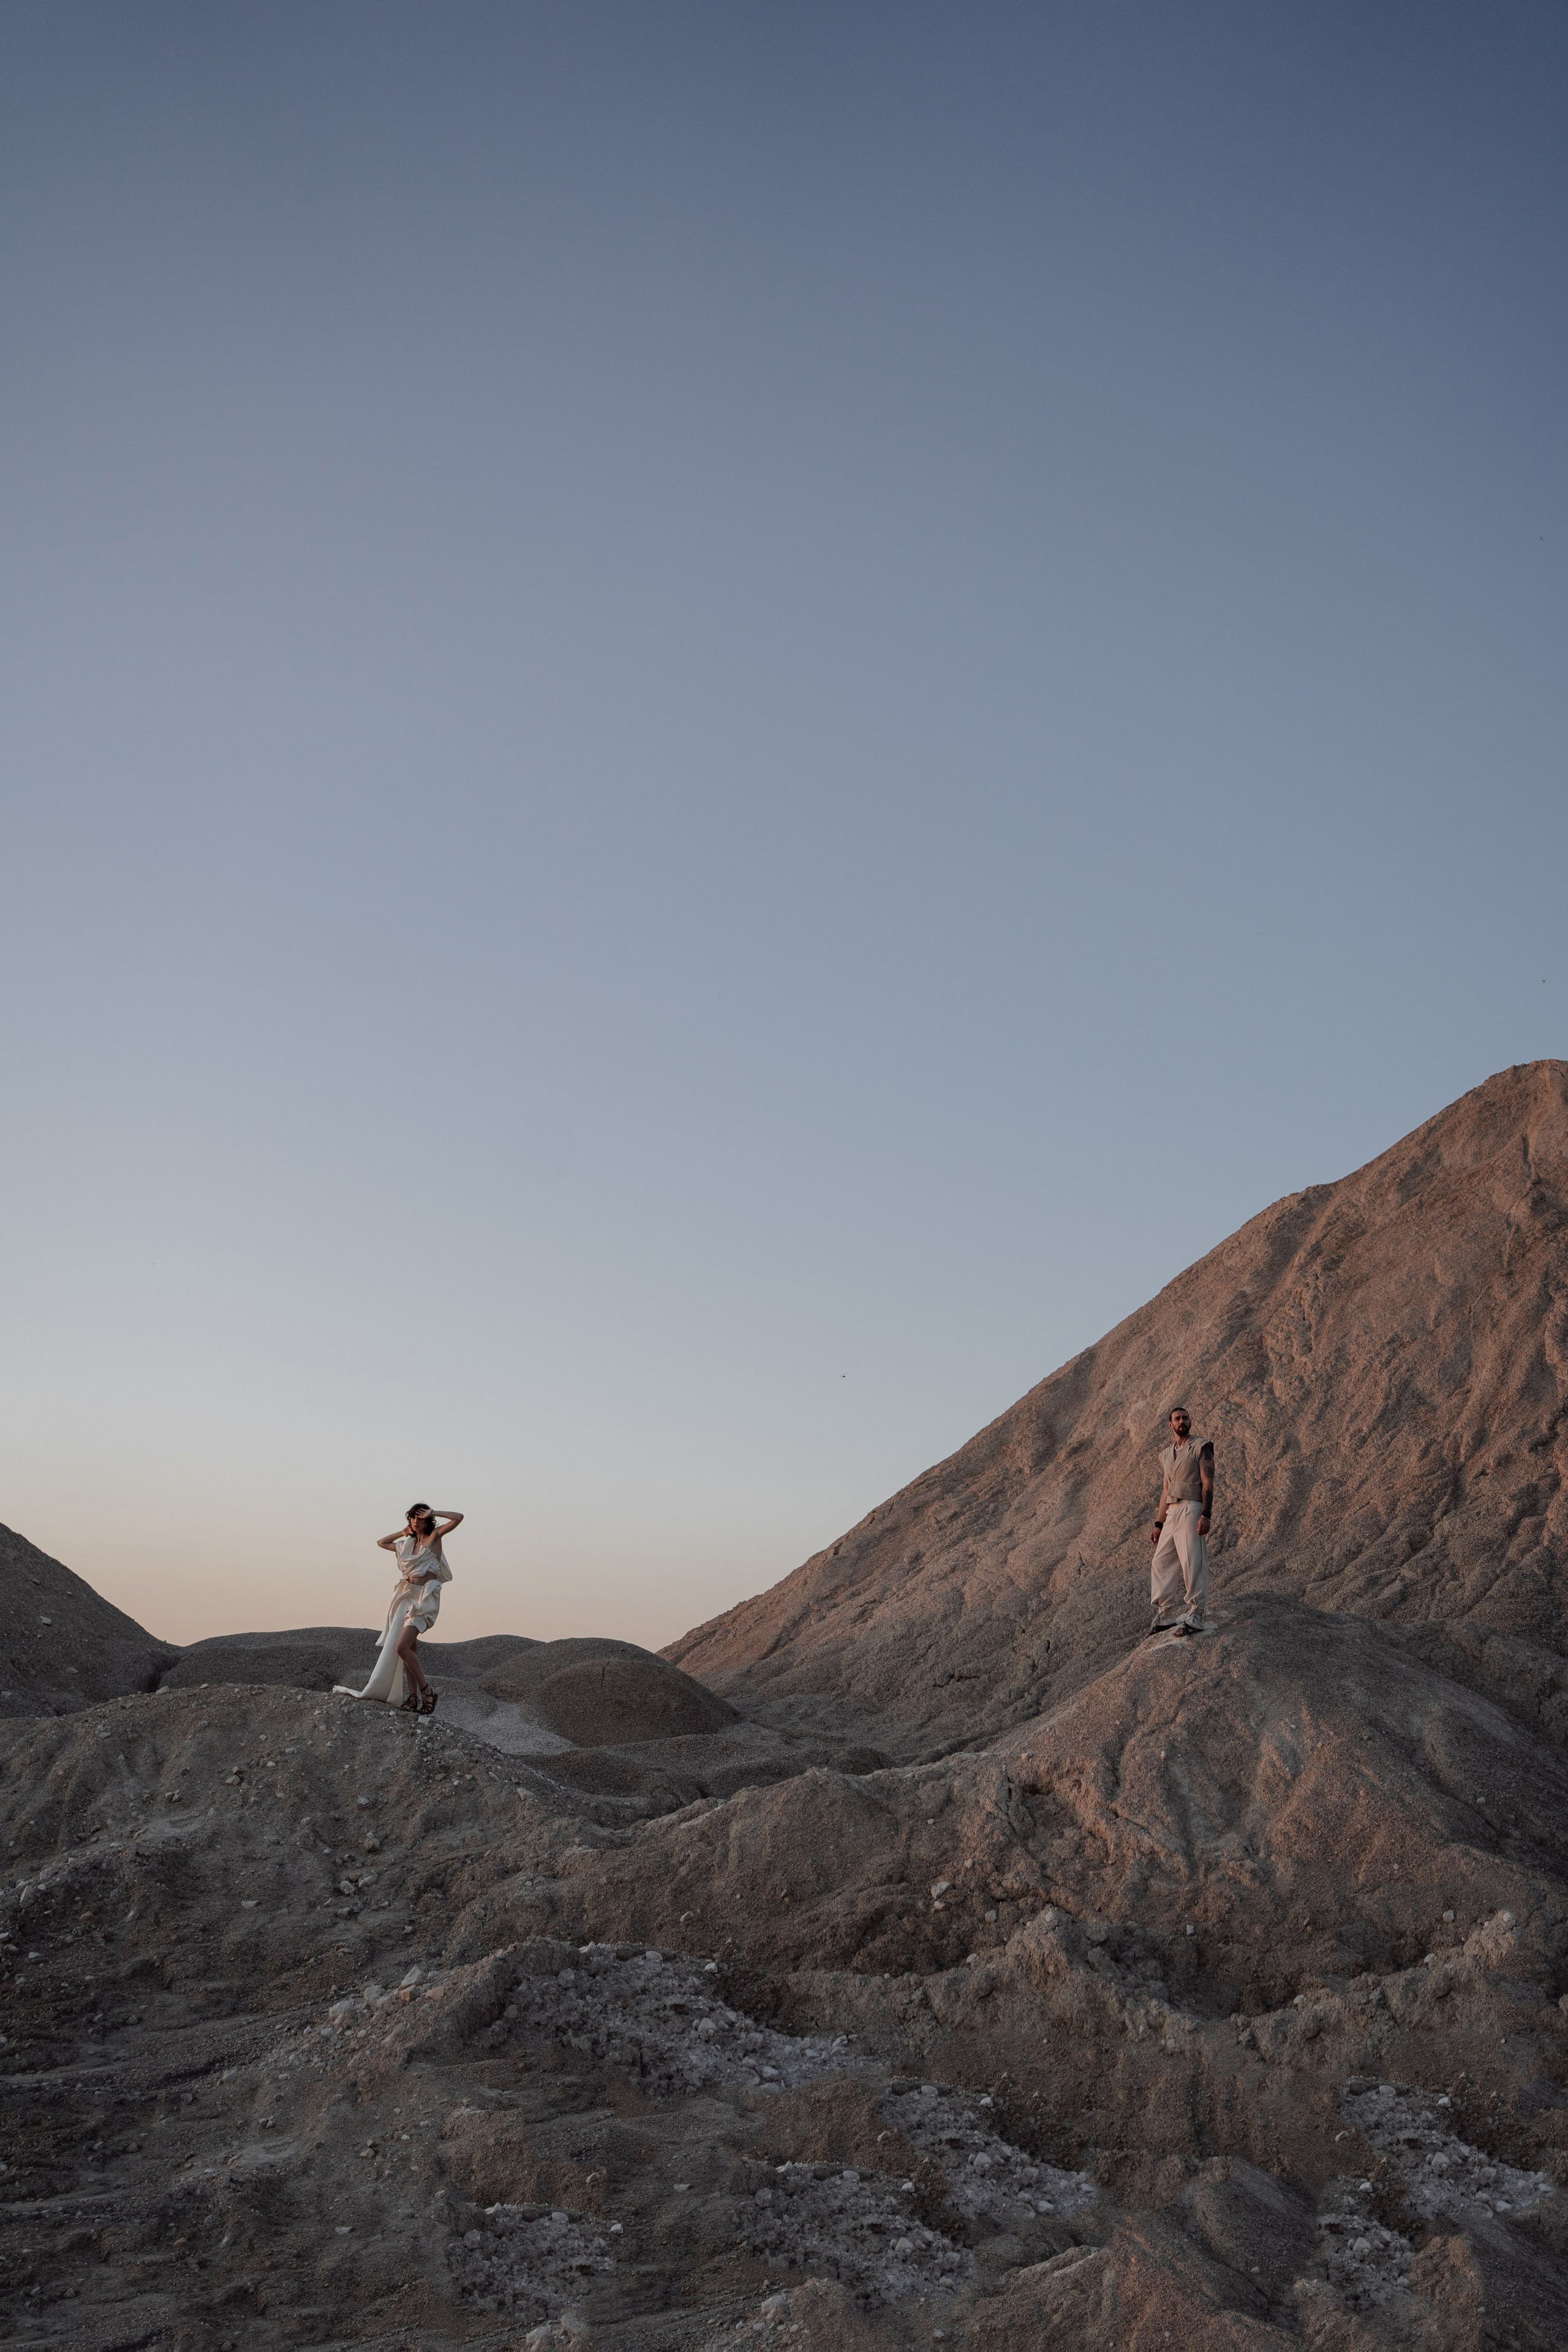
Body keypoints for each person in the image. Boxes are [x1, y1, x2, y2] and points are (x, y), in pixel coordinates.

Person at [333, 1503, 463, 1713]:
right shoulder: (407, 1544)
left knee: (401, 1647)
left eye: (421, 1518)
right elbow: (382, 1542)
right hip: (405, 1596)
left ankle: (427, 1692)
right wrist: (403, 1533)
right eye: (413, 1518)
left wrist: (434, 1512)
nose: (416, 1521)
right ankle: (412, 1698)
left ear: (428, 1521)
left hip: (424, 1598)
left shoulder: (435, 1538)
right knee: (410, 1649)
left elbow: (459, 1517)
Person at [1148, 1408, 1213, 1638]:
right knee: (1161, 1562)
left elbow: (1208, 1484)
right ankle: (1165, 1614)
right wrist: (1159, 1523)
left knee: (1192, 1562)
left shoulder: (1201, 1447)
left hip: (1191, 1508)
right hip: (1172, 1511)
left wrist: (1206, 1515)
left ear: (1190, 1421)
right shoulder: (1167, 1454)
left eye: (1185, 1418)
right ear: (1170, 1425)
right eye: (1177, 1419)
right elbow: (1165, 1491)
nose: (1182, 1421)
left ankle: (1196, 1615)